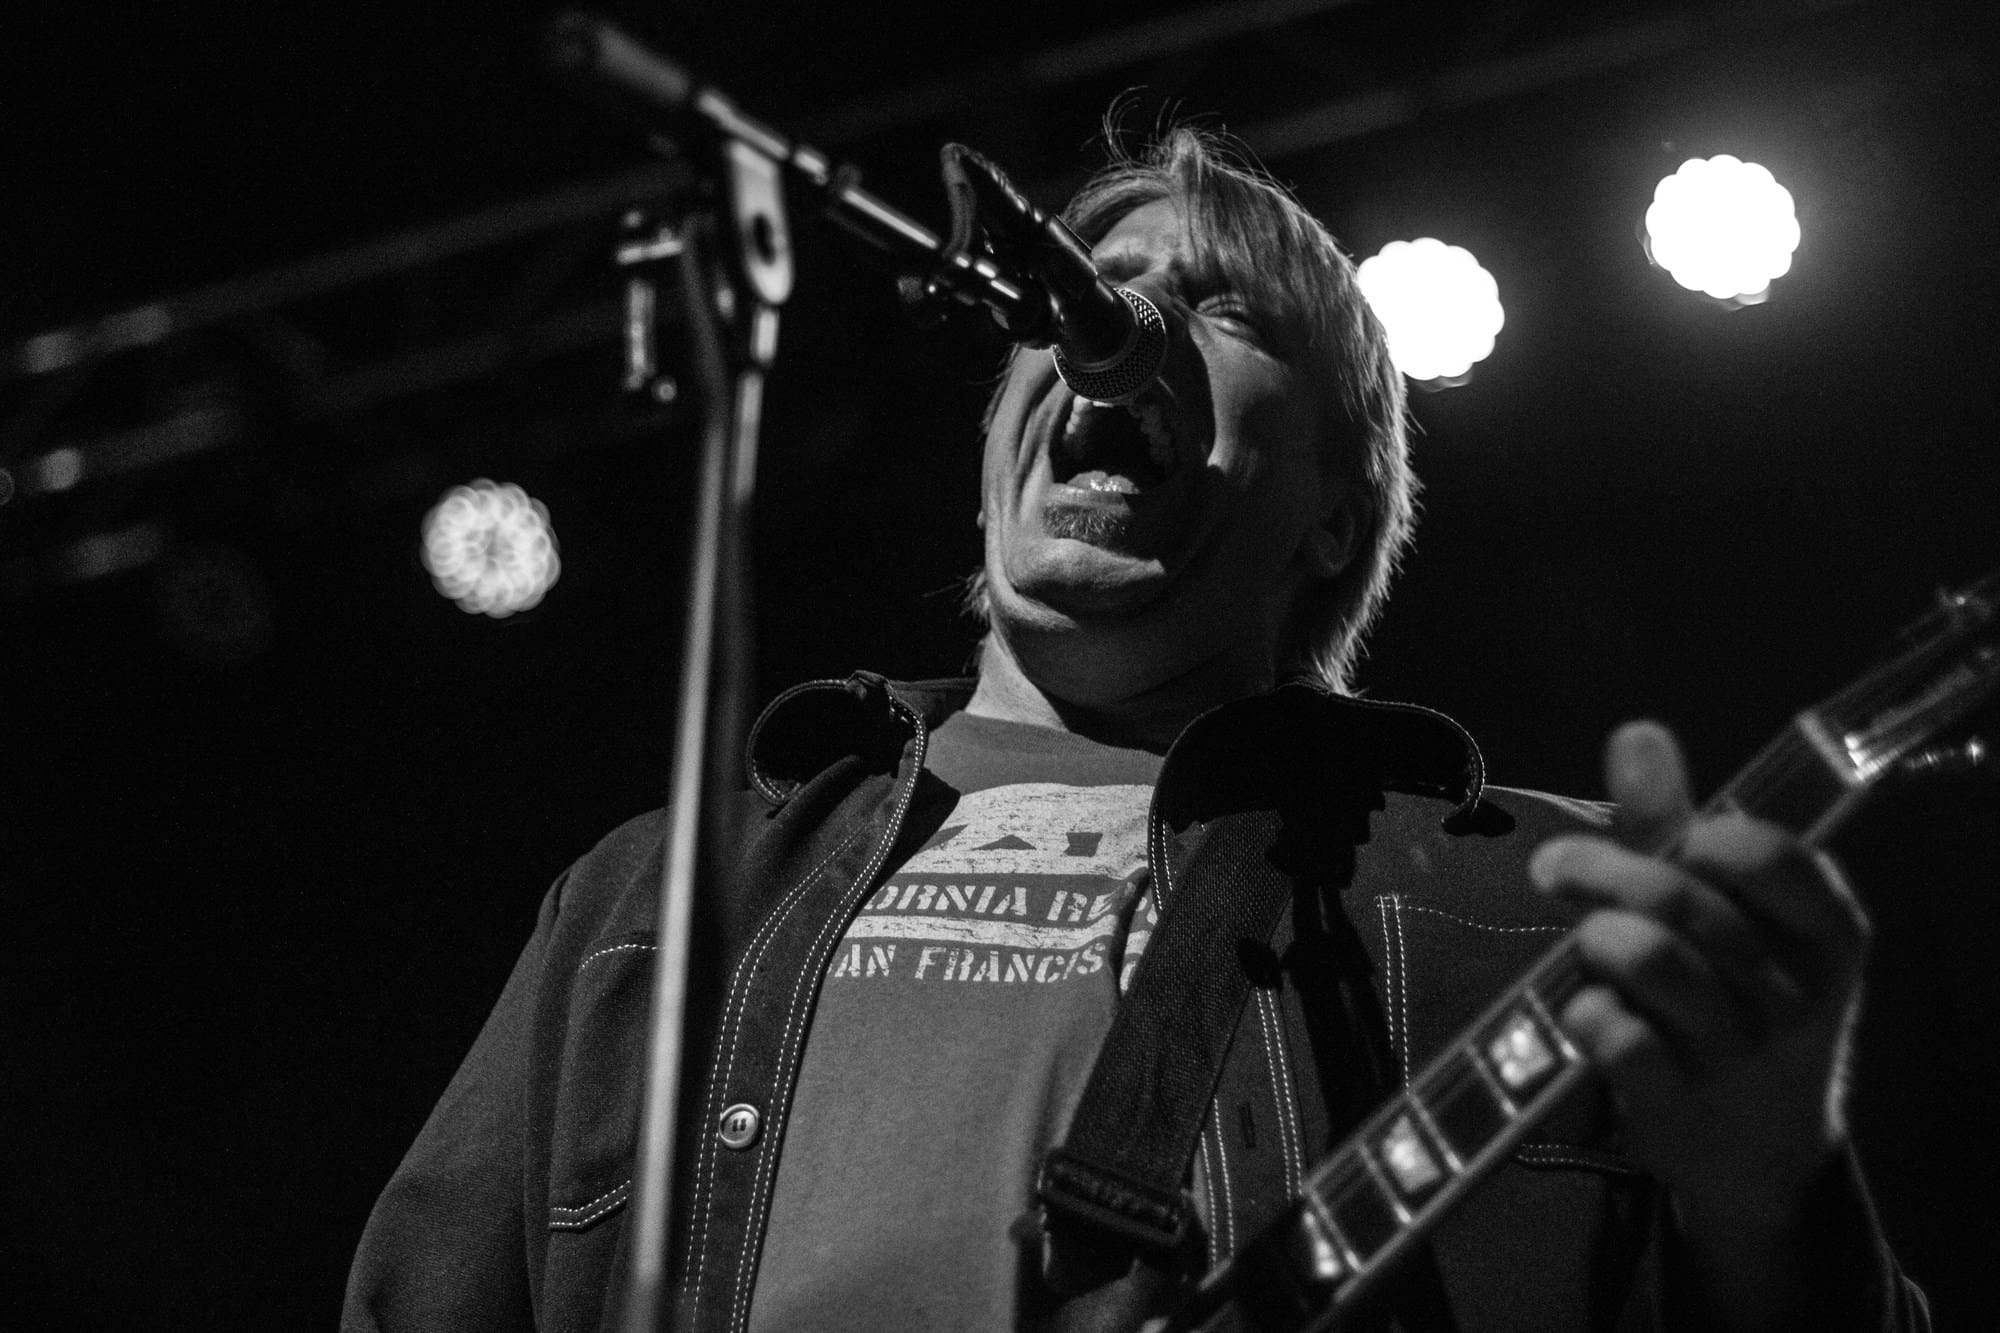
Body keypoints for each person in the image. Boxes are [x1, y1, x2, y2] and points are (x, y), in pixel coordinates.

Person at [342, 126, 1927, 1331]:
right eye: (1092, 294)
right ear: (993, 435)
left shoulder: (1537, 909)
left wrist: (1768, 1187)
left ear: (1336, 512)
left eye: (1227, 314)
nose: (1130, 327)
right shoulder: (654, 904)